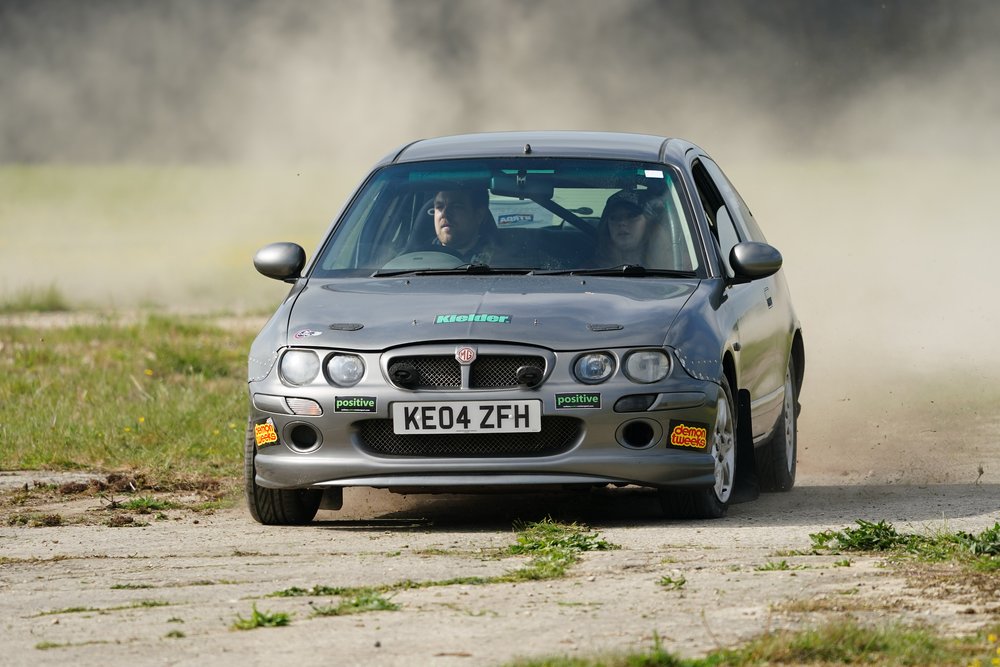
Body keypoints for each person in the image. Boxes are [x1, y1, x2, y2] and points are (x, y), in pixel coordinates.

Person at [594, 188, 666, 267]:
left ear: (649, 223)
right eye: (614, 218)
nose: (622, 223)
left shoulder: (673, 266)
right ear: (607, 227)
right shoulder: (589, 271)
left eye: (631, 216)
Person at [429, 188, 497, 263]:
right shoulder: (420, 259)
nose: (444, 214)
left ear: (479, 215)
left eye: (456, 206)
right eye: (439, 207)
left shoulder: (500, 262)